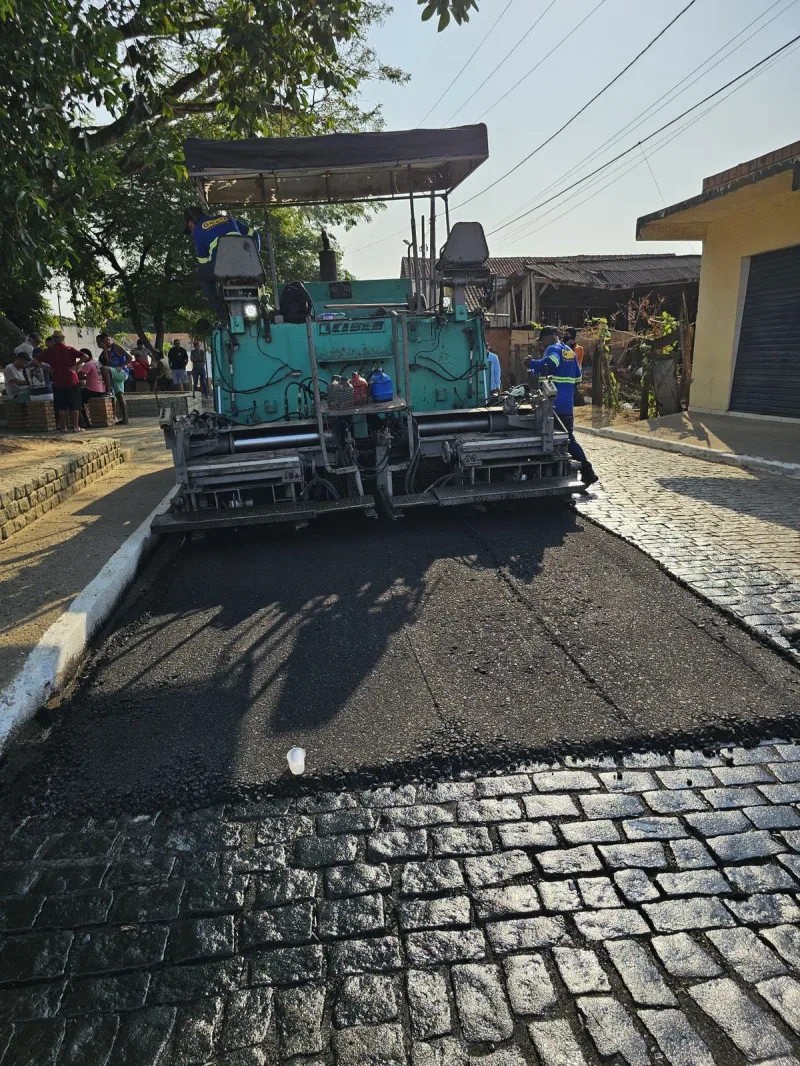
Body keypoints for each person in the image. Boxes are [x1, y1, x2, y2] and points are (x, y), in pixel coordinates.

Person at [527, 326, 598, 488]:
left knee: (548, 438)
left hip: (552, 405)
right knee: (568, 438)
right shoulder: (571, 353)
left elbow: (550, 364)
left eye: (542, 342)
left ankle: (585, 470)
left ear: (546, 338)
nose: (542, 346)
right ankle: (585, 471)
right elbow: (578, 379)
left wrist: (531, 363)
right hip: (566, 404)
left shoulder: (554, 349)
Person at [184, 206, 258, 321]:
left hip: (224, 267)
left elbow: (203, 262)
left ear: (190, 223)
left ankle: (221, 314)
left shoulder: (198, 230)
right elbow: (255, 235)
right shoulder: (228, 219)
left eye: (190, 228)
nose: (191, 231)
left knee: (202, 276)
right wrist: (253, 257)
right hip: (246, 265)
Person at [34, 330, 84, 432]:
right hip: (71, 380)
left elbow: (35, 360)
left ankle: (63, 427)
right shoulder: (69, 349)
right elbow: (85, 356)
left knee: (62, 406)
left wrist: (46, 368)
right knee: (75, 406)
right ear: (62, 339)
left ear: (53, 339)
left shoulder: (49, 351)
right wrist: (74, 366)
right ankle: (75, 427)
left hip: (58, 381)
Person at [98, 351, 129, 425]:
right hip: (115, 374)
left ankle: (108, 390)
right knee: (119, 395)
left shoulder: (115, 348)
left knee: (104, 369)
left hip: (119, 372)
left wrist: (121, 366)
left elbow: (130, 357)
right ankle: (124, 418)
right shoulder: (105, 353)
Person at [77, 349, 105, 428]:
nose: (80, 360)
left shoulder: (88, 364)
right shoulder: (97, 363)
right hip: (101, 388)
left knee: (77, 399)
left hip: (92, 390)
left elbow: (79, 376)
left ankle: (86, 422)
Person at [561, 327, 586, 407]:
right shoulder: (562, 346)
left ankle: (579, 404)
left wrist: (566, 346)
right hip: (564, 374)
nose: (565, 336)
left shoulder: (579, 348)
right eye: (564, 334)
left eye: (567, 334)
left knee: (573, 392)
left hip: (574, 374)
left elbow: (570, 357)